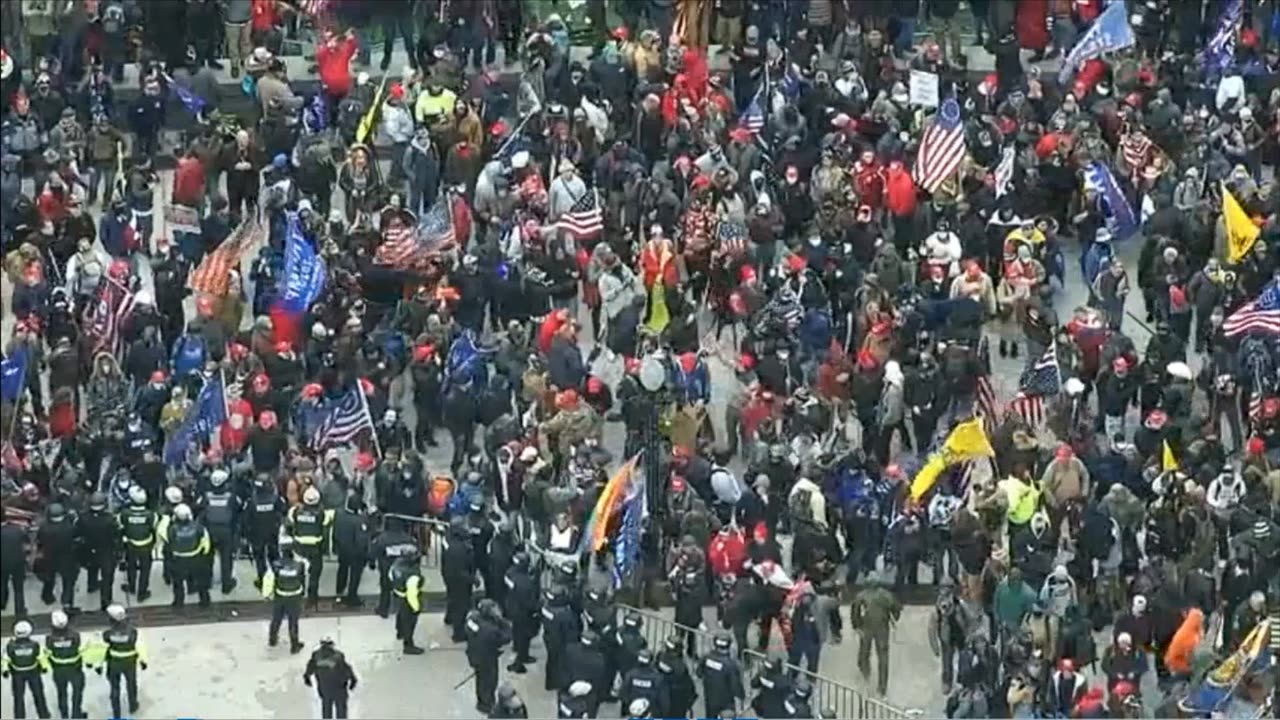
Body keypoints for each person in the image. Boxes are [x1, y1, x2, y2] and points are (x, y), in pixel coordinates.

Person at [852, 580, 901, 696]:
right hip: (881, 628)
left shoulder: (861, 595)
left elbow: (855, 612)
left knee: (864, 655)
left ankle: (867, 677)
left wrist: (857, 626)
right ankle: (881, 688)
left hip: (867, 627)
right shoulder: (887, 595)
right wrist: (895, 617)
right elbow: (897, 609)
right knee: (883, 658)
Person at [287, 486, 335, 606]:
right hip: (315, 549)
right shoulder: (322, 514)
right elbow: (326, 528)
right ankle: (312, 599)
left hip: (299, 548)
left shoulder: (295, 511)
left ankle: (299, 593)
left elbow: (289, 525)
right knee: (314, 575)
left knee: (299, 572)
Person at [97, 604, 146, 719]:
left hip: (114, 663)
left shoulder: (108, 633)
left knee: (114, 688)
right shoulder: (132, 631)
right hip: (129, 662)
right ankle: (133, 705)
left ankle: (116, 713)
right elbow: (136, 644)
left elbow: (105, 642)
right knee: (131, 684)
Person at [465, 598, 512, 714]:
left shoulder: (472, 619)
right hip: (487, 659)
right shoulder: (490, 630)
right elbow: (506, 637)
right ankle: (487, 704)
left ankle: (481, 701)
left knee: (480, 679)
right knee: (489, 681)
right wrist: (501, 620)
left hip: (474, 654)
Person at [263, 536, 308, 653]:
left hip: (280, 594)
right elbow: (303, 579)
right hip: (294, 595)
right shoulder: (300, 565)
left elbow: (269, 580)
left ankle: (272, 639)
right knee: (293, 621)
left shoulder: (275, 564)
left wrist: (267, 594)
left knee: (276, 618)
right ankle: (294, 645)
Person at [162, 502, 212, 608]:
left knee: (178, 584)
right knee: (201, 582)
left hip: (178, 560)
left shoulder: (172, 529)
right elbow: (206, 545)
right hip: (195, 559)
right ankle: (205, 601)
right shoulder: (199, 527)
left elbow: (168, 542)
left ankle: (179, 603)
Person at [3, 620, 50, 719]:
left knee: (18, 698)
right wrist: (44, 667)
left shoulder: (10, 646)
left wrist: (5, 670)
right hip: (33, 673)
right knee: (39, 695)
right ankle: (44, 715)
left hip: (17, 674)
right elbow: (41, 656)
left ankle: (19, 717)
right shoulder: (35, 644)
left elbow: (5, 659)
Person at [117, 486, 157, 602]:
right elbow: (153, 528)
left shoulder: (124, 513)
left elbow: (121, 527)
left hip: (130, 545)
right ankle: (142, 592)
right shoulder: (151, 514)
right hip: (146, 545)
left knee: (131, 566)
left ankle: (132, 587)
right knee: (145, 569)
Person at [44, 609, 85, 720]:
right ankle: (76, 714)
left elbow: (48, 652)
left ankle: (64, 715)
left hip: (59, 671)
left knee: (62, 693)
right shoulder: (75, 636)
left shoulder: (49, 639)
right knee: (77, 693)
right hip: (75, 669)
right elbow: (77, 646)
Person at [303, 637, 357, 720]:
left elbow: (310, 667)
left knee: (326, 709)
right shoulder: (338, 656)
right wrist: (352, 680)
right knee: (341, 711)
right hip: (339, 688)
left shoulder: (316, 655)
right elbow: (346, 669)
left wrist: (307, 677)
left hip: (324, 688)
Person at [697, 631, 744, 718]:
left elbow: (699, 673)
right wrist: (741, 699)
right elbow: (735, 686)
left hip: (710, 697)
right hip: (726, 702)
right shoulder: (731, 665)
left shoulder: (706, 657)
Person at [390, 545, 426, 654]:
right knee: (409, 623)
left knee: (400, 616)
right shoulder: (412, 575)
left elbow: (390, 576)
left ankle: (399, 632)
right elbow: (412, 594)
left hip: (397, 595)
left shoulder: (396, 564)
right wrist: (416, 608)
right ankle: (408, 645)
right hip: (407, 600)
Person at [1, 515, 29, 617]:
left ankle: (2, 603)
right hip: (18, 562)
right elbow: (26, 541)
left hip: (2, 563)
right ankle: (20, 610)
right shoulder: (17, 530)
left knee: (2, 584)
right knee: (18, 588)